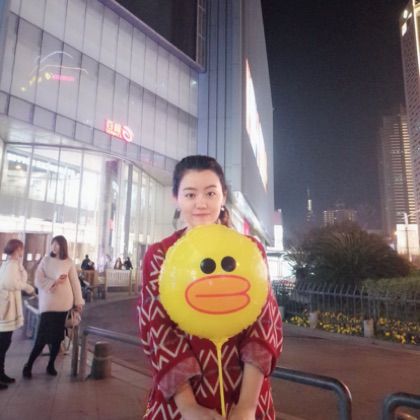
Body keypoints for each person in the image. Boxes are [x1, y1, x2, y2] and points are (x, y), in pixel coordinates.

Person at [139, 155, 283, 419]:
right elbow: (157, 331)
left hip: (247, 397)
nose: (201, 203)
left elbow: (265, 324)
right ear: (176, 198)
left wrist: (247, 405)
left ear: (223, 196)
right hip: (180, 404)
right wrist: (189, 406)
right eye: (190, 194)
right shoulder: (160, 255)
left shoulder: (251, 250)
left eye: (210, 193)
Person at [22, 235, 84, 378]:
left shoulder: (68, 262)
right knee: (41, 338)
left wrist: (78, 302)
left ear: (63, 246)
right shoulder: (46, 260)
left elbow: (75, 283)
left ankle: (51, 365)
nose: (54, 247)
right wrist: (54, 282)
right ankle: (28, 365)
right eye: (53, 244)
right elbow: (38, 280)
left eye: (57, 245)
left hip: (63, 305)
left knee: (57, 338)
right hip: (48, 305)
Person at [0, 239, 35, 389]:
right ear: (17, 249)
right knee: (3, 343)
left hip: (7, 307)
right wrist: (28, 288)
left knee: (5, 342)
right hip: (6, 309)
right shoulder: (11, 265)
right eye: (21, 249)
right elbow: (11, 283)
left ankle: (1, 373)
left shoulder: (11, 263)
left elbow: (20, 278)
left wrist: (20, 264)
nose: (22, 251)